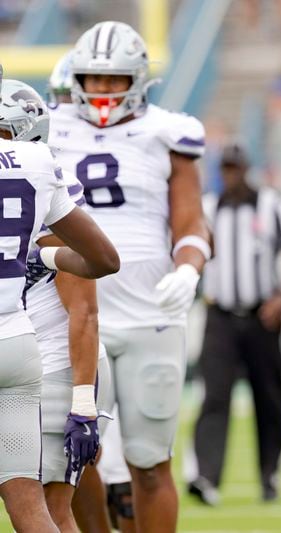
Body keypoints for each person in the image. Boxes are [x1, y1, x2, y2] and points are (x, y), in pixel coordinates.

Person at [48, 21, 210, 533]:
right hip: (72, 315)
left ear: (137, 79)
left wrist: (189, 268)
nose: (101, 90)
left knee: (149, 459)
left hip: (149, 313)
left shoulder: (168, 131)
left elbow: (189, 220)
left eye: (113, 79)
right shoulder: (49, 127)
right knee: (74, 456)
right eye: (92, 79)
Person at [0, 66, 119, 533]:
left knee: (48, 506)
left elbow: (85, 312)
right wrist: (45, 260)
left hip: (57, 364)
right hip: (23, 349)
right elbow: (104, 259)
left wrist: (82, 402)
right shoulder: (40, 172)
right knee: (31, 508)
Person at [45, 50, 138, 533]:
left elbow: (85, 298)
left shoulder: (48, 177)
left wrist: (41, 256)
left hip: (59, 345)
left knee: (63, 491)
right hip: (40, 343)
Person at [188, 143, 281, 505]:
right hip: (219, 314)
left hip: (262, 315)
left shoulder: (273, 204)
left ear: (246, 168)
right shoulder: (207, 207)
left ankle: (270, 475)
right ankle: (206, 477)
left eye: (235, 168)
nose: (231, 175)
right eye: (225, 169)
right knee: (214, 396)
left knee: (268, 397)